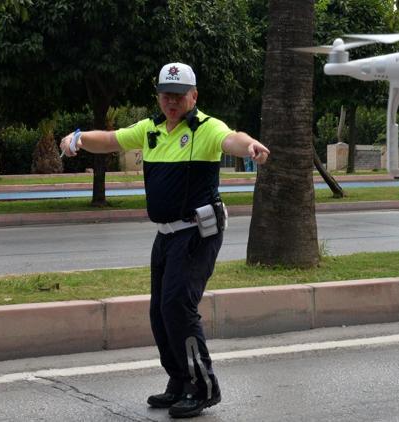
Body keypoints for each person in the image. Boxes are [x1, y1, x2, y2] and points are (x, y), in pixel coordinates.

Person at [60, 62, 269, 418]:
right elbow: (110, 139)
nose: (171, 102)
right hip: (166, 234)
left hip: (197, 232)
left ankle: (202, 386)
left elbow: (232, 138)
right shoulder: (150, 129)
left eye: (178, 95)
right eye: (165, 94)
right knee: (160, 311)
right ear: (159, 96)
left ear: (194, 95)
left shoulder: (207, 127)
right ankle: (179, 380)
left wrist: (250, 147)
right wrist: (77, 138)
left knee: (177, 306)